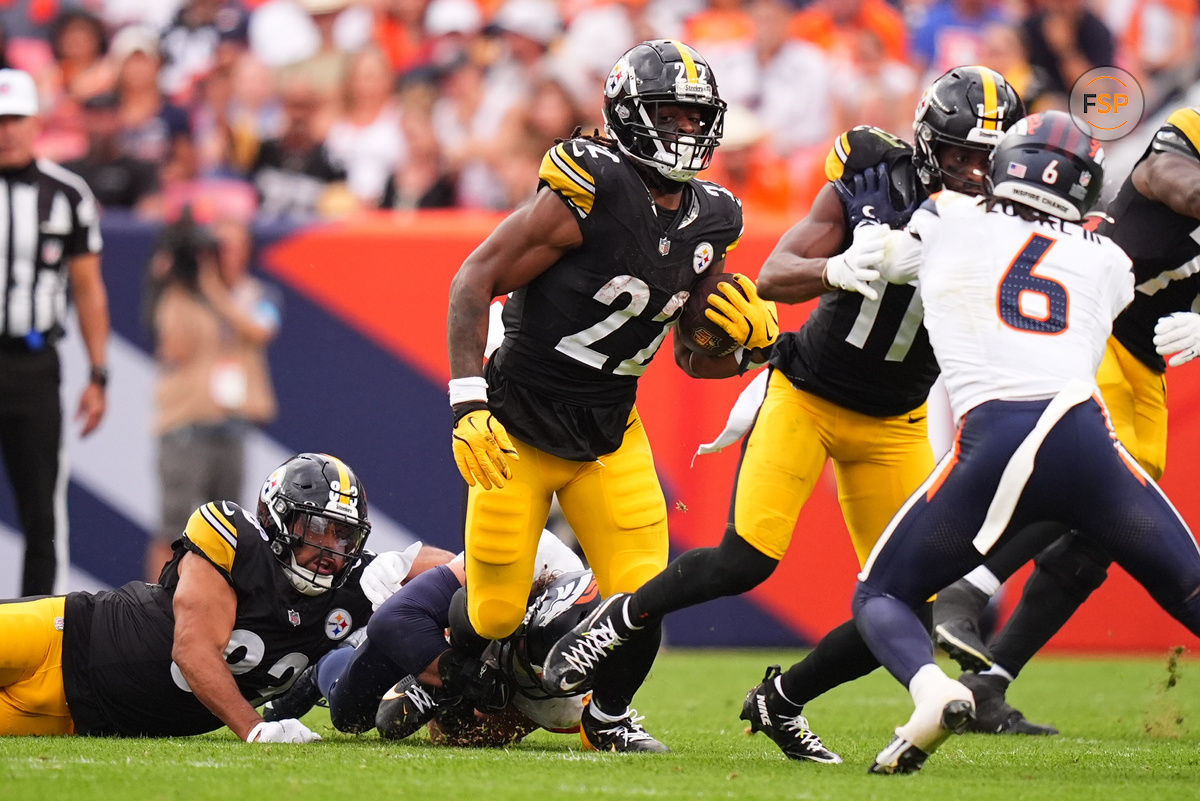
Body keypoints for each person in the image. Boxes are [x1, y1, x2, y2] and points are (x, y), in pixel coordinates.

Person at [541, 66, 1023, 763]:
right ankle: (624, 614)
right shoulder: (873, 173)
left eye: (989, 159)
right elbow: (776, 271)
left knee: (907, 602)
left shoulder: (1010, 223)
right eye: (960, 156)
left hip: (896, 420)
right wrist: (838, 269)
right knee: (745, 560)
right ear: (926, 143)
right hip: (809, 391)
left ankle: (782, 699)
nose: (975, 173)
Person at [445, 39, 776, 752]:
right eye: (670, 115)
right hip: (519, 422)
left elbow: (694, 356)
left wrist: (746, 345)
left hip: (608, 431)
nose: (687, 132)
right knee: (496, 609)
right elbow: (473, 278)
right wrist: (467, 403)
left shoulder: (713, 216)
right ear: (629, 114)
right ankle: (452, 666)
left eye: (696, 118)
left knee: (643, 592)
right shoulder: (588, 184)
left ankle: (610, 714)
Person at [853, 110, 1200, 774]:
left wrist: (867, 232)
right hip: (1088, 438)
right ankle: (982, 626)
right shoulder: (1106, 258)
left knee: (882, 594)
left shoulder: (947, 218)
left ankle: (932, 689)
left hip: (1000, 434)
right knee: (1189, 587)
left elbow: (890, 262)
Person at [0, 452, 434, 741]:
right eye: (317, 528)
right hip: (63, 637)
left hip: (83, 721)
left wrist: (411, 569)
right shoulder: (232, 536)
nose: (331, 550)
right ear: (279, 519)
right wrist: (255, 730)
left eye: (344, 537)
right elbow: (192, 651)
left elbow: (456, 571)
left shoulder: (358, 583)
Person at [264, 531, 594, 747]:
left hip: (493, 663)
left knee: (454, 733)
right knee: (349, 714)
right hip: (456, 619)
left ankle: (434, 681)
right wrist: (459, 672)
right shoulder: (537, 560)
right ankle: (325, 664)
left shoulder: (570, 702)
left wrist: (458, 703)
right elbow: (393, 621)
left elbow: (460, 735)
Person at [0, 68, 108, 597]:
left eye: (15, 118)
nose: (6, 130)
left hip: (33, 364)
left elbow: (88, 288)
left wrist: (99, 373)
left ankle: (37, 642)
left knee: (41, 510)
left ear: (37, 121)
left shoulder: (66, 193)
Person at [144, 211, 281, 580]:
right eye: (217, 246)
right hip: (186, 422)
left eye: (231, 246)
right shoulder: (183, 294)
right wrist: (169, 281)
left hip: (231, 423)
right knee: (173, 524)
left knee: (227, 529)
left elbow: (260, 329)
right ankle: (156, 609)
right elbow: (172, 346)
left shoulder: (260, 295)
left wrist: (214, 291)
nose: (223, 254)